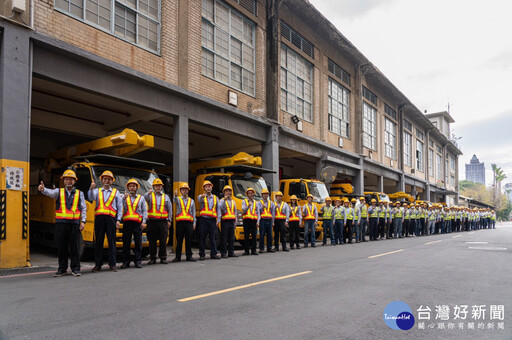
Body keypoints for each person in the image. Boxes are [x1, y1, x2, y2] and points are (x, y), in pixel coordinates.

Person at [38, 170, 86, 277]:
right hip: (61, 224)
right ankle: (62, 269)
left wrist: (83, 221)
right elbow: (48, 192)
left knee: (75, 247)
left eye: (71, 179)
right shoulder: (58, 192)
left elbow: (83, 208)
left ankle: (76, 269)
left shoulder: (79, 193)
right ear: (63, 181)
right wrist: (43, 189)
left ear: (74, 181)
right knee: (62, 247)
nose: (69, 181)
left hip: (74, 224)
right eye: (66, 179)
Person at [88, 170, 123, 272]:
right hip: (99, 219)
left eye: (109, 179)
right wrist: (91, 188)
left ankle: (112, 264)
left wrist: (118, 220)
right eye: (105, 179)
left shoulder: (116, 192)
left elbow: (120, 207)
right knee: (99, 241)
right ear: (102, 180)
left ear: (112, 181)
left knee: (112, 242)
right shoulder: (97, 191)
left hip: (111, 219)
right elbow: (90, 197)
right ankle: (98, 265)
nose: (107, 180)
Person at [145, 178, 172, 264]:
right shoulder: (149, 195)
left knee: (163, 240)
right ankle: (152, 258)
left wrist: (169, 220)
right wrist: (148, 193)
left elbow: (170, 209)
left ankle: (163, 257)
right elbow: (143, 198)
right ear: (153, 187)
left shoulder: (166, 197)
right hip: (152, 221)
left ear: (161, 187)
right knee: (152, 241)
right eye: (156, 186)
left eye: (159, 186)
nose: (158, 187)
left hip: (162, 222)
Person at [121, 178, 147, 269]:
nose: (132, 188)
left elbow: (144, 211)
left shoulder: (141, 198)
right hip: (127, 223)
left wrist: (144, 222)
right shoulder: (124, 197)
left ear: (136, 188)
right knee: (126, 243)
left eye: (134, 186)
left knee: (138, 244)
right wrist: (123, 198)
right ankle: (125, 262)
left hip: (137, 224)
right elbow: (119, 207)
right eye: (130, 186)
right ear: (128, 187)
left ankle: (138, 261)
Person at [173, 183, 196, 262]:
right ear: (181, 191)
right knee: (179, 240)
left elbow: (193, 213)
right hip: (180, 223)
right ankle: (177, 257)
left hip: (189, 223)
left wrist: (194, 223)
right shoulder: (178, 199)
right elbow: (174, 200)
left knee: (188, 240)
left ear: (188, 191)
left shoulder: (191, 201)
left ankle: (189, 256)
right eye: (183, 189)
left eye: (186, 189)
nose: (184, 191)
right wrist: (175, 195)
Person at [197, 180, 220, 260]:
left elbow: (218, 210)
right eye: (206, 187)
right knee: (202, 237)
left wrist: (218, 220)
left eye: (209, 186)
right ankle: (202, 254)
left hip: (213, 220)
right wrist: (202, 197)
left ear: (211, 188)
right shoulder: (202, 197)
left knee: (213, 237)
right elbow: (199, 199)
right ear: (204, 188)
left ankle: (213, 254)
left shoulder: (215, 198)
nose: (208, 188)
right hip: (204, 220)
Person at [217, 185, 238, 258]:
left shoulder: (233, 202)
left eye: (229, 191)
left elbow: (235, 212)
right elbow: (220, 208)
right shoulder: (222, 200)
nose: (228, 193)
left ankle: (231, 252)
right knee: (224, 238)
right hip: (225, 221)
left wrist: (236, 222)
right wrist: (224, 200)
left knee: (231, 238)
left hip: (232, 221)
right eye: (226, 191)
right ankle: (223, 253)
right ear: (224, 192)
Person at [242, 188, 259, 255]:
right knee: (246, 236)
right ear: (247, 194)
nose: (250, 194)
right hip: (246, 220)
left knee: (254, 236)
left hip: (254, 221)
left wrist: (258, 221)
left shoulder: (255, 202)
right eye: (249, 193)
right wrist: (248, 206)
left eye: (252, 193)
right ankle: (246, 251)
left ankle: (253, 250)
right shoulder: (244, 201)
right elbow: (243, 210)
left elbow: (257, 212)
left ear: (253, 194)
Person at [258, 188, 275, 253]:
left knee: (270, 234)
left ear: (268, 195)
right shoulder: (259, 203)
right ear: (262, 195)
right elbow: (257, 211)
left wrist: (273, 222)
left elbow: (273, 213)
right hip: (262, 220)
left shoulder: (271, 203)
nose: (265, 195)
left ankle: (269, 247)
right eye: (264, 194)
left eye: (266, 194)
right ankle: (261, 248)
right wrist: (262, 207)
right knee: (262, 234)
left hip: (269, 220)